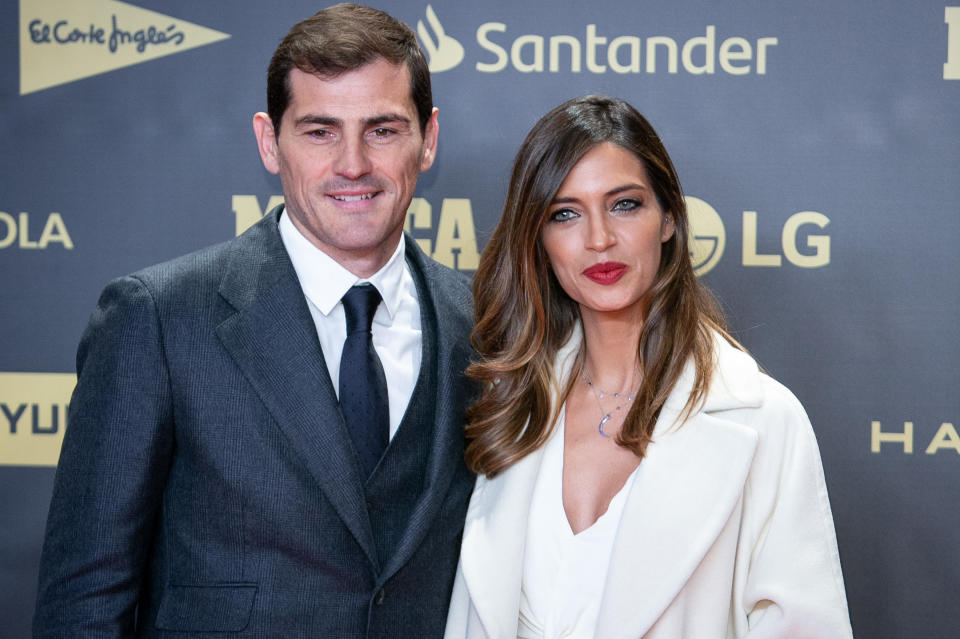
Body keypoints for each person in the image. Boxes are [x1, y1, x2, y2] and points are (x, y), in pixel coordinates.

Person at [33, 4, 476, 637]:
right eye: (320, 131)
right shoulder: (157, 318)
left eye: (382, 130)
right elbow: (85, 600)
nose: (353, 164)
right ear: (270, 143)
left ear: (427, 139)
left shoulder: (485, 323)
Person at [444, 95, 853, 639]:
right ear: (538, 242)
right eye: (564, 214)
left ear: (669, 220)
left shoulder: (763, 421)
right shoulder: (508, 405)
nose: (599, 239)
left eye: (624, 204)